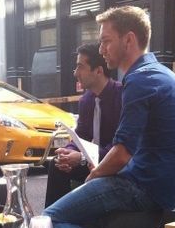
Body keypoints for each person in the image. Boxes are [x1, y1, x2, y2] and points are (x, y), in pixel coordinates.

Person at [43, 6, 175, 228]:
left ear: (129, 39)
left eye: (106, 41)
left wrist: (93, 177)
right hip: (161, 187)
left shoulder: (140, 80)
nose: (101, 49)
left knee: (47, 221)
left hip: (141, 186)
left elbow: (123, 152)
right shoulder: (163, 75)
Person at [44, 43, 122, 207]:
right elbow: (81, 136)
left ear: (98, 70)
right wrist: (69, 152)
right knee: (57, 164)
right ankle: (53, 224)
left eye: (80, 66)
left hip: (115, 165)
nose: (75, 73)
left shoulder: (121, 97)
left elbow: (120, 149)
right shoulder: (86, 100)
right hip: (91, 161)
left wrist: (81, 158)